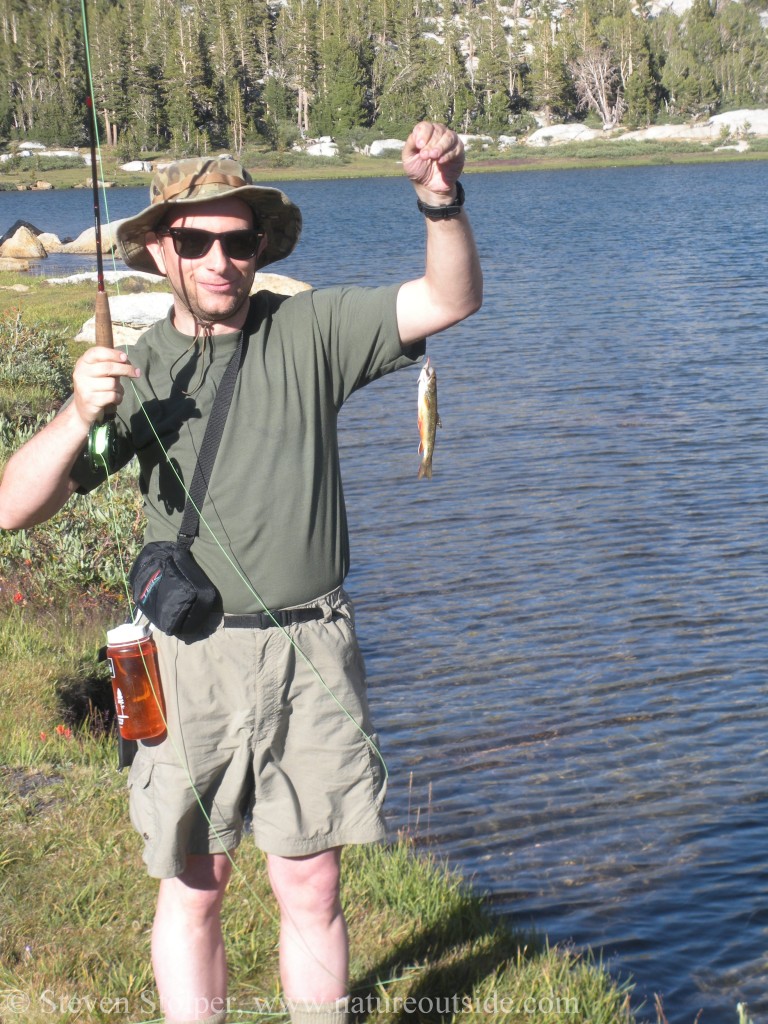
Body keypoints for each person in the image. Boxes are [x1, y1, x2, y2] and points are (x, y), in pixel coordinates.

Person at [0, 121, 482, 1024]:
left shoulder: (312, 330)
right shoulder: (134, 372)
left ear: (262, 246)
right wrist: (76, 411)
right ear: (158, 250)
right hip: (187, 660)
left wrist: (439, 200)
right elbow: (13, 505)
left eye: (239, 240)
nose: (220, 260)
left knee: (311, 885)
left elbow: (448, 299)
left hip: (313, 649)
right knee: (197, 882)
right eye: (195, 241)